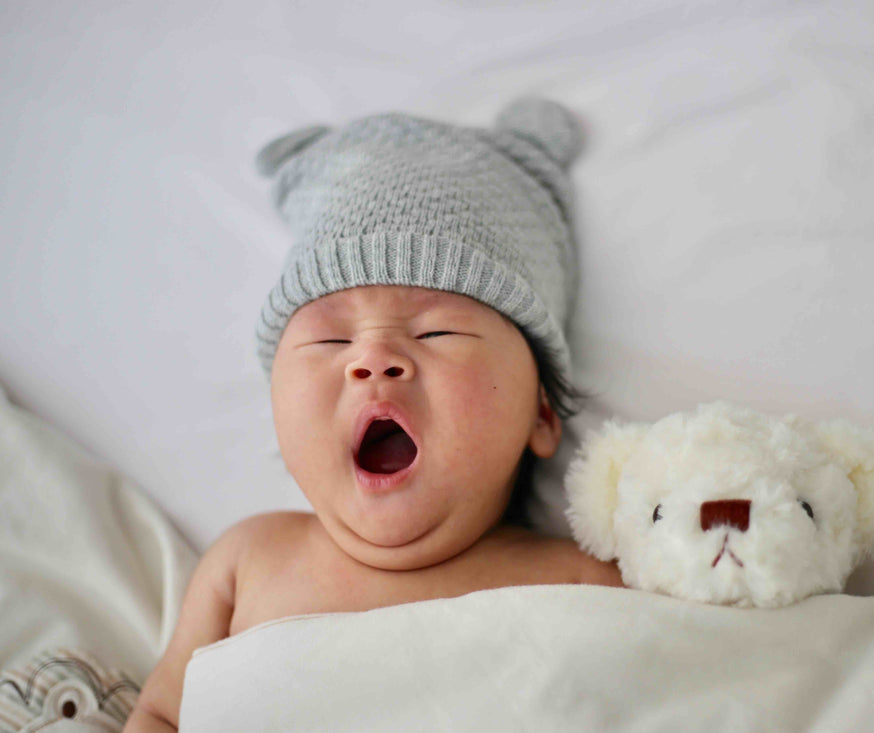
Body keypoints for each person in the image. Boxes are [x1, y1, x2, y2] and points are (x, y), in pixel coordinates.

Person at [123, 97, 624, 732]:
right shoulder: (247, 562)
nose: (374, 357)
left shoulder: (582, 582)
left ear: (542, 415)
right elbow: (163, 714)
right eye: (331, 340)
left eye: (439, 332)